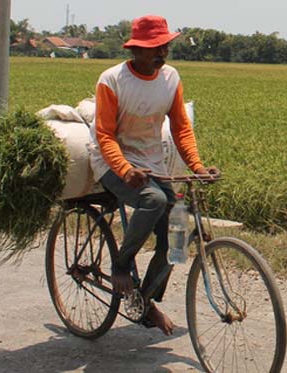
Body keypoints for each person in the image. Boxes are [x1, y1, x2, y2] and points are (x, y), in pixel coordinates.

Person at [88, 15, 219, 336]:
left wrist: (198, 167)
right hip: (111, 160)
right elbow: (104, 134)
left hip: (152, 161)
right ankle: (121, 264)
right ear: (136, 50)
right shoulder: (112, 80)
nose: (162, 53)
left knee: (177, 230)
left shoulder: (170, 78)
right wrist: (124, 169)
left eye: (165, 47)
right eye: (155, 48)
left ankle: (144, 300)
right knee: (153, 199)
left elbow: (180, 128)